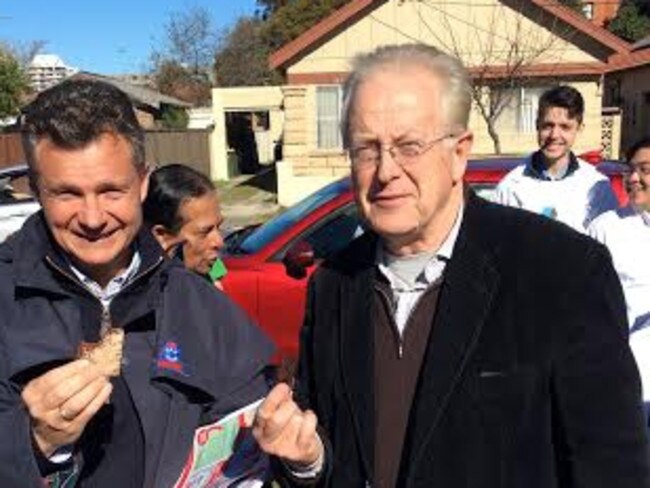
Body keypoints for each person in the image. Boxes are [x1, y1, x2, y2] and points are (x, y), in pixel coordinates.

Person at [252, 44, 650, 487]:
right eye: (366, 148)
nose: (386, 171)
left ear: (460, 152)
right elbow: (336, 453)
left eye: (409, 146)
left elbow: (612, 467)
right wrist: (306, 460)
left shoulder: (563, 272)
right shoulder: (334, 284)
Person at [0, 79, 274, 487]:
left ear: (143, 183)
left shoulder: (202, 306)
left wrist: (298, 459)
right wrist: (31, 441)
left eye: (111, 190)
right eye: (67, 194)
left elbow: (257, 444)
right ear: (38, 191)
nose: (92, 218)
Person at [494, 85, 617, 232]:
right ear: (537, 125)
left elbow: (607, 244)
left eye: (565, 127)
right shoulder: (510, 187)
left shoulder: (597, 186)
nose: (554, 135)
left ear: (579, 129)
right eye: (547, 126)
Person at [588, 138, 650, 425]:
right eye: (630, 170)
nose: (634, 179)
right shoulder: (607, 228)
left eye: (645, 170)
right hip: (627, 377)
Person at [143, 163, 228, 289]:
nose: (220, 242)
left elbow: (219, 281)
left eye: (218, 227)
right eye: (205, 232)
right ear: (162, 235)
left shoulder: (212, 265)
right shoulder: (148, 298)